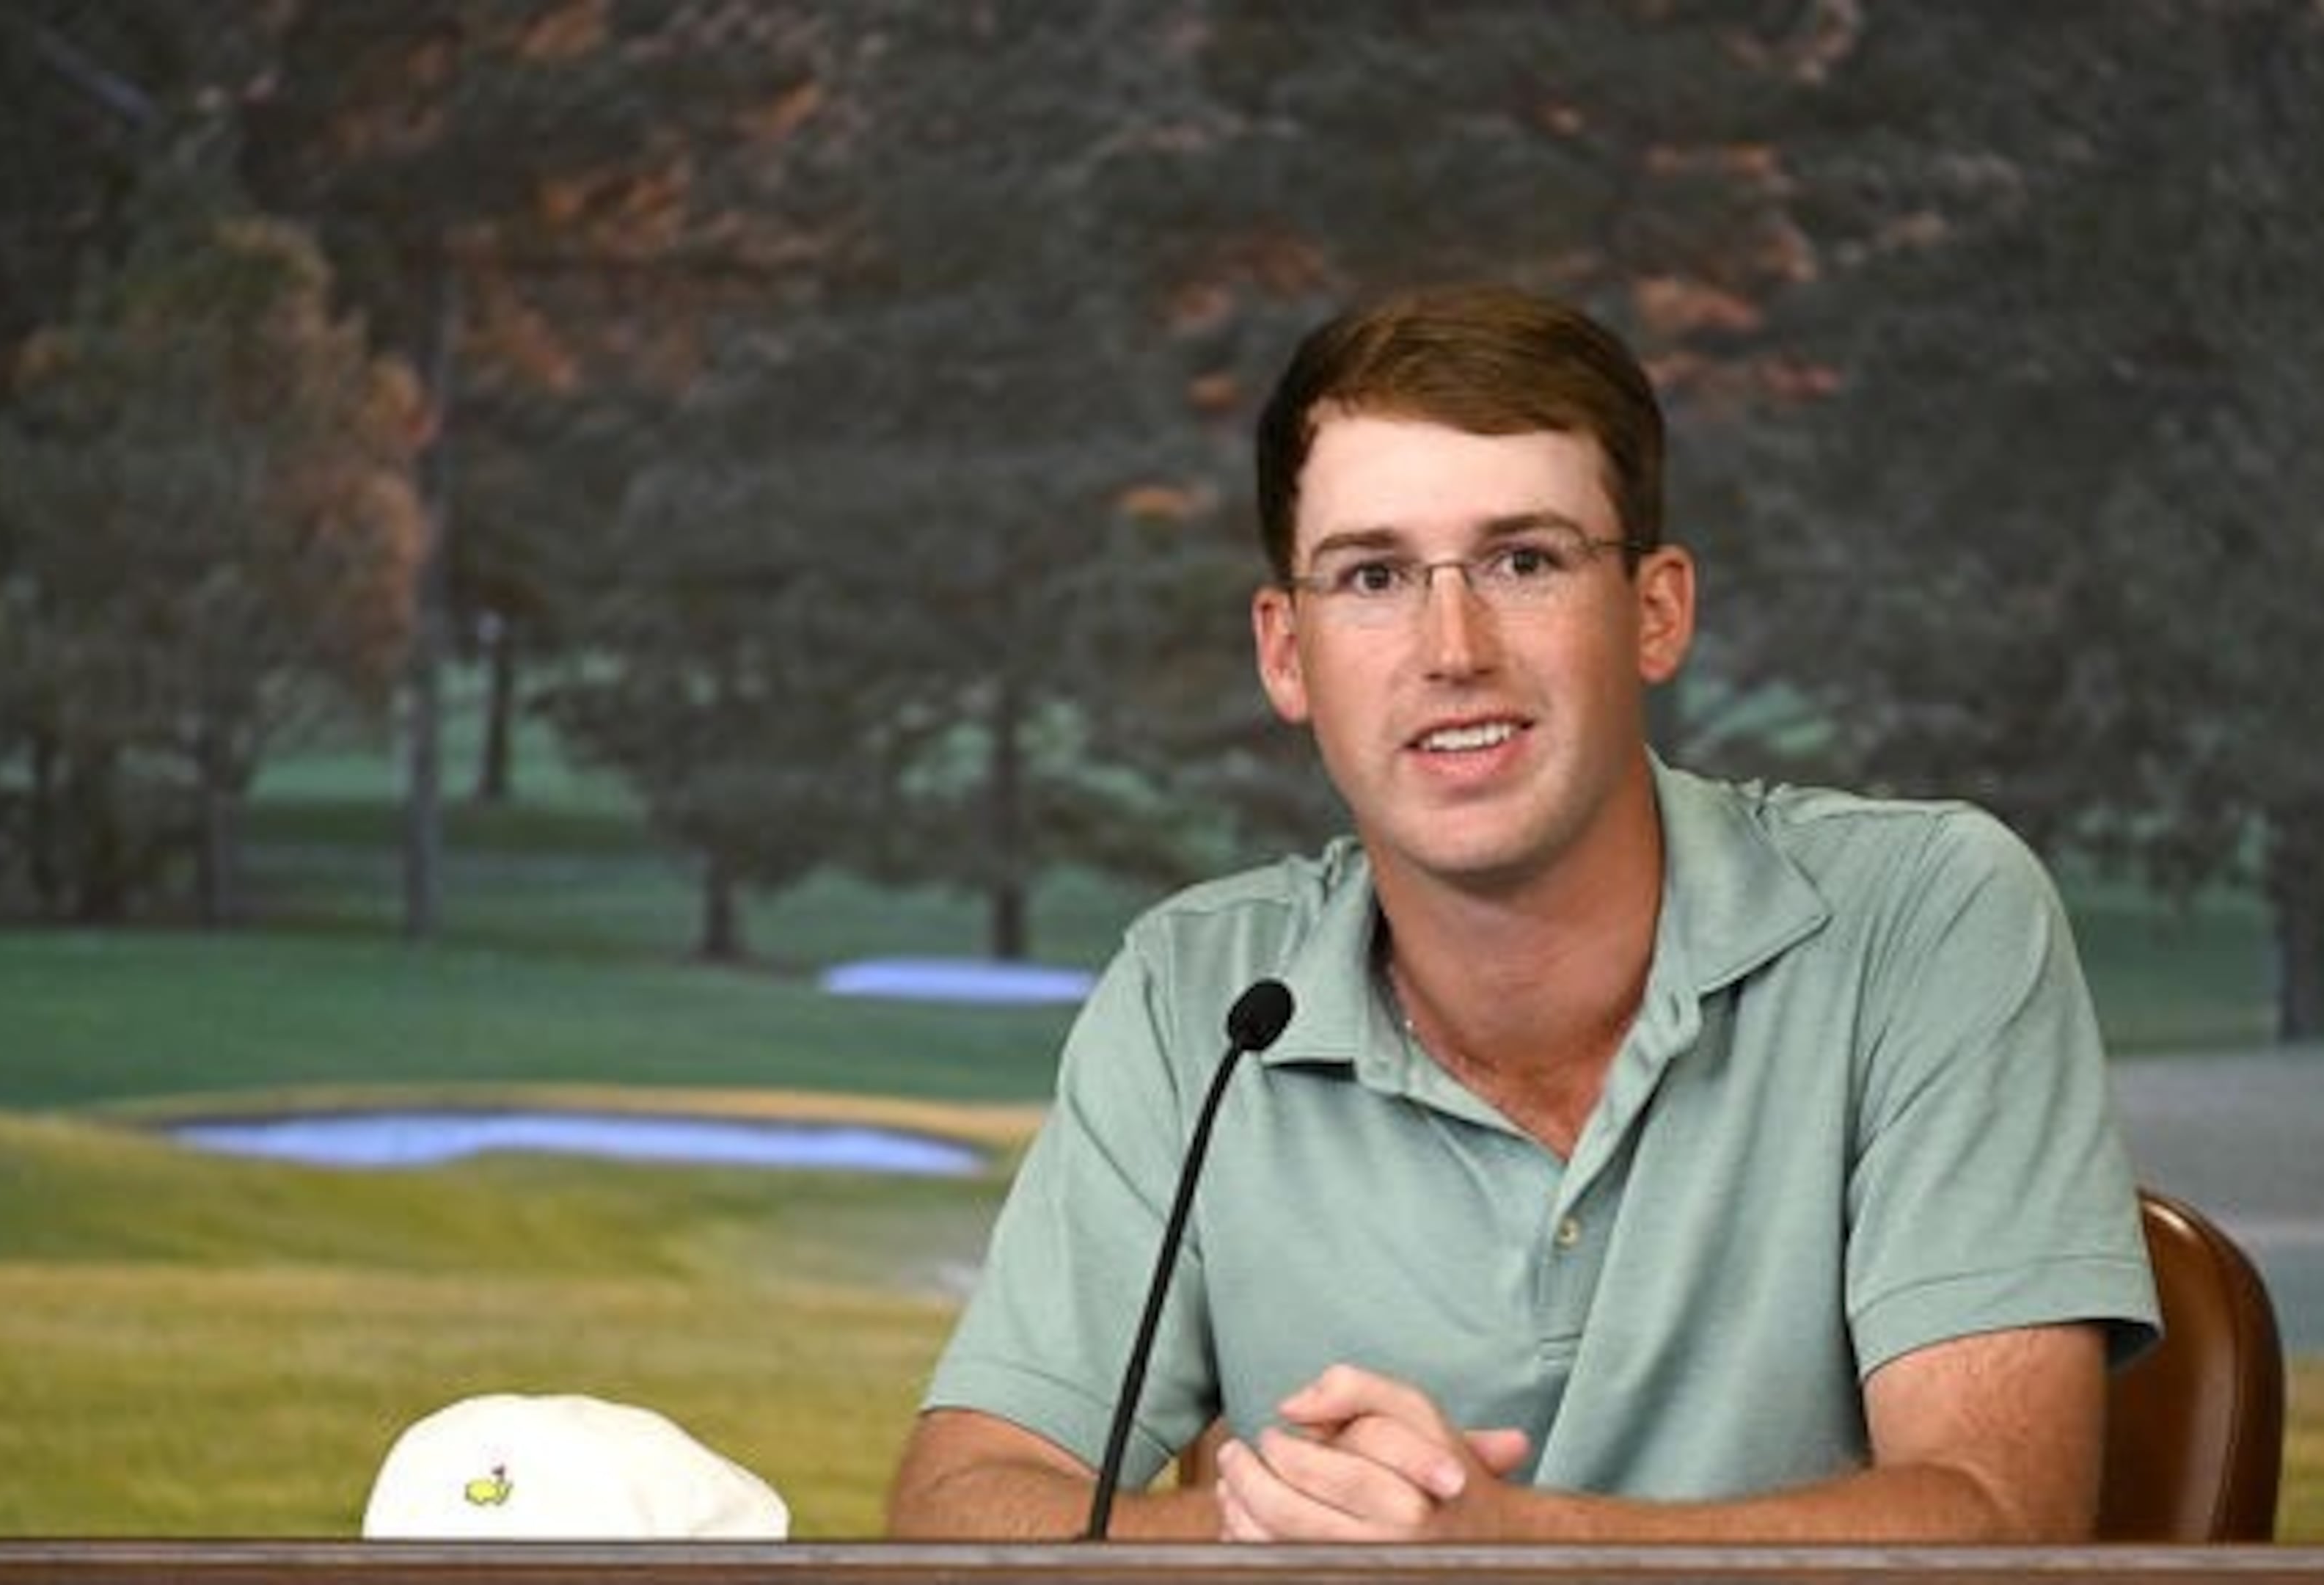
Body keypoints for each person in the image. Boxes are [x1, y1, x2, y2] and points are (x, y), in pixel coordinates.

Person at [885, 283, 2160, 1543]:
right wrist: (1280, 1541)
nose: (1454, 647)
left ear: (1656, 611)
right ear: (1287, 654)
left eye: (1525, 560)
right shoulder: (1194, 997)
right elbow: (958, 1503)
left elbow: (2001, 1524)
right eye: (1373, 574)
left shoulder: (1929, 918)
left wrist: (1499, 1552)